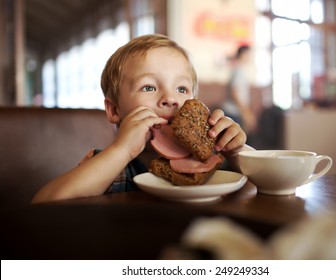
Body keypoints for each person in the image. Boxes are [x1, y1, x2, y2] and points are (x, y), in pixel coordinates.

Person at [32, 34, 254, 204]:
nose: (170, 99)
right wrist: (122, 150)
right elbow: (46, 205)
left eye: (182, 89)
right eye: (149, 87)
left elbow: (267, 188)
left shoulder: (210, 159)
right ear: (114, 110)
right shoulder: (111, 165)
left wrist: (237, 153)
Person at [223, 45, 257, 134]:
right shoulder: (238, 71)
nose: (250, 57)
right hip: (233, 113)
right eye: (249, 54)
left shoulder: (238, 69)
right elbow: (235, 94)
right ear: (243, 54)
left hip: (235, 112)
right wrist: (246, 113)